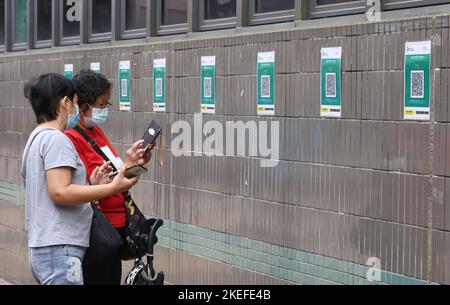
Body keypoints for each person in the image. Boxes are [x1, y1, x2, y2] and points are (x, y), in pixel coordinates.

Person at [21, 73, 139, 285]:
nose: (75, 109)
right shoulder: (57, 139)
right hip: (61, 247)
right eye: (75, 103)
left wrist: (93, 185)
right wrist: (113, 187)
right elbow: (60, 192)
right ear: (64, 102)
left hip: (46, 245)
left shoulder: (36, 138)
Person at [65, 69, 154, 285]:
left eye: (107, 104)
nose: (104, 110)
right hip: (96, 232)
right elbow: (72, 188)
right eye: (101, 105)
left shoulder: (95, 131)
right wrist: (94, 185)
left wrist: (133, 162)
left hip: (115, 229)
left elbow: (114, 177)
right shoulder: (69, 138)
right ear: (82, 104)